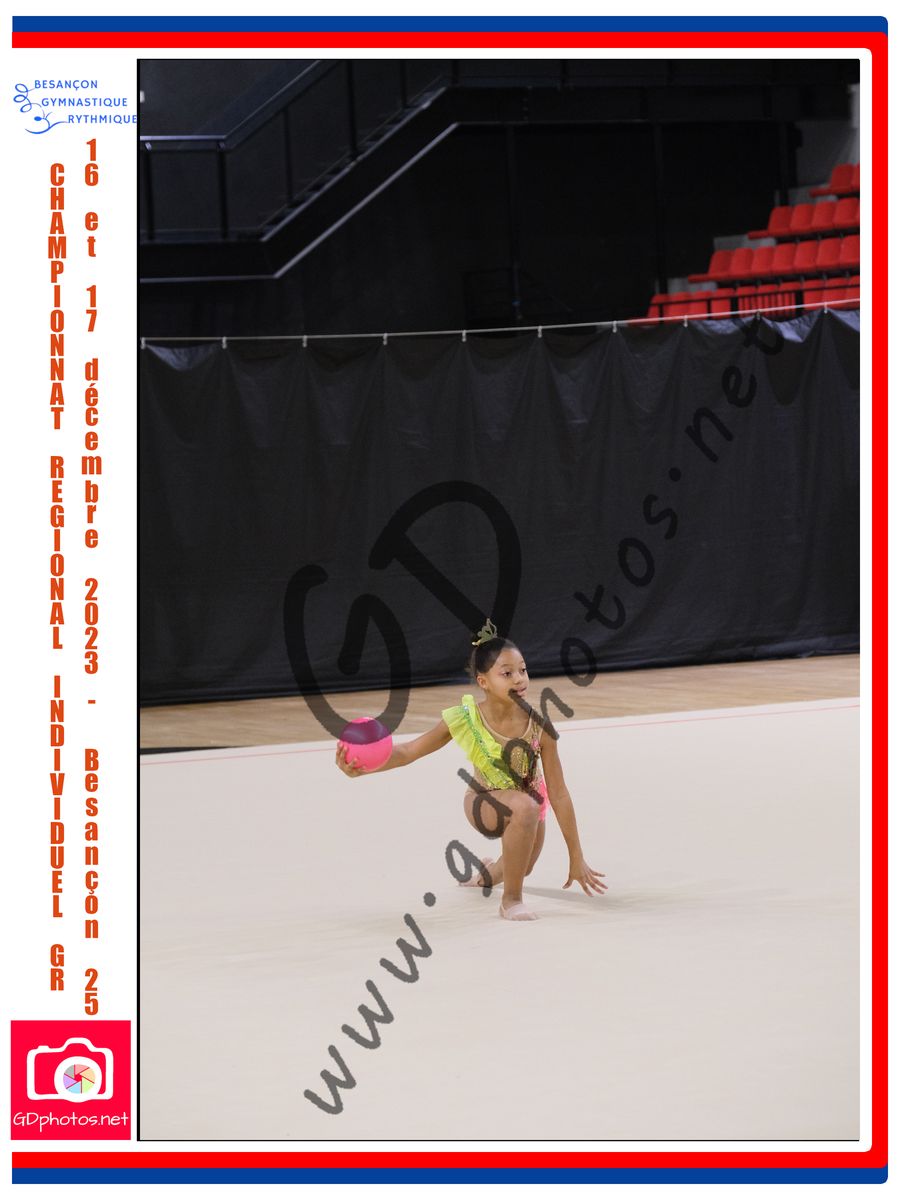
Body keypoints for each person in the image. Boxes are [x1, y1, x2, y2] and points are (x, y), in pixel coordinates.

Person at [335, 619, 607, 921]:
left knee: (523, 863)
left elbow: (559, 793)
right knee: (525, 807)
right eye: (507, 673)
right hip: (483, 801)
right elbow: (409, 751)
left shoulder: (540, 727)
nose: (519, 679)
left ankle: (483, 877)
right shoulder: (467, 718)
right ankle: (511, 901)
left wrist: (576, 856)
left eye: (523, 670)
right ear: (483, 682)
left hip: (528, 803)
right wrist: (364, 769)